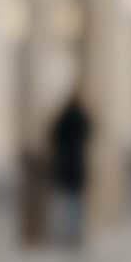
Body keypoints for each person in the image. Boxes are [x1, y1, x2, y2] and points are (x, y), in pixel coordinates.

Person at [47, 89, 93, 251]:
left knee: (67, 202)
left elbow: (53, 135)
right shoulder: (81, 117)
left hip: (66, 165)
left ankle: (68, 233)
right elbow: (90, 131)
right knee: (75, 202)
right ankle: (75, 233)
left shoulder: (64, 118)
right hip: (77, 165)